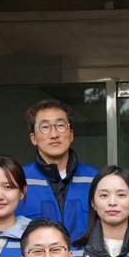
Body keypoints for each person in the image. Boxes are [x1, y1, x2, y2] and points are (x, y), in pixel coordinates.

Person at [19, 100, 99, 240]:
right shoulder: (18, 180)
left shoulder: (97, 179)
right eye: (45, 127)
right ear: (33, 138)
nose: (54, 134)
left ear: (72, 134)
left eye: (61, 125)